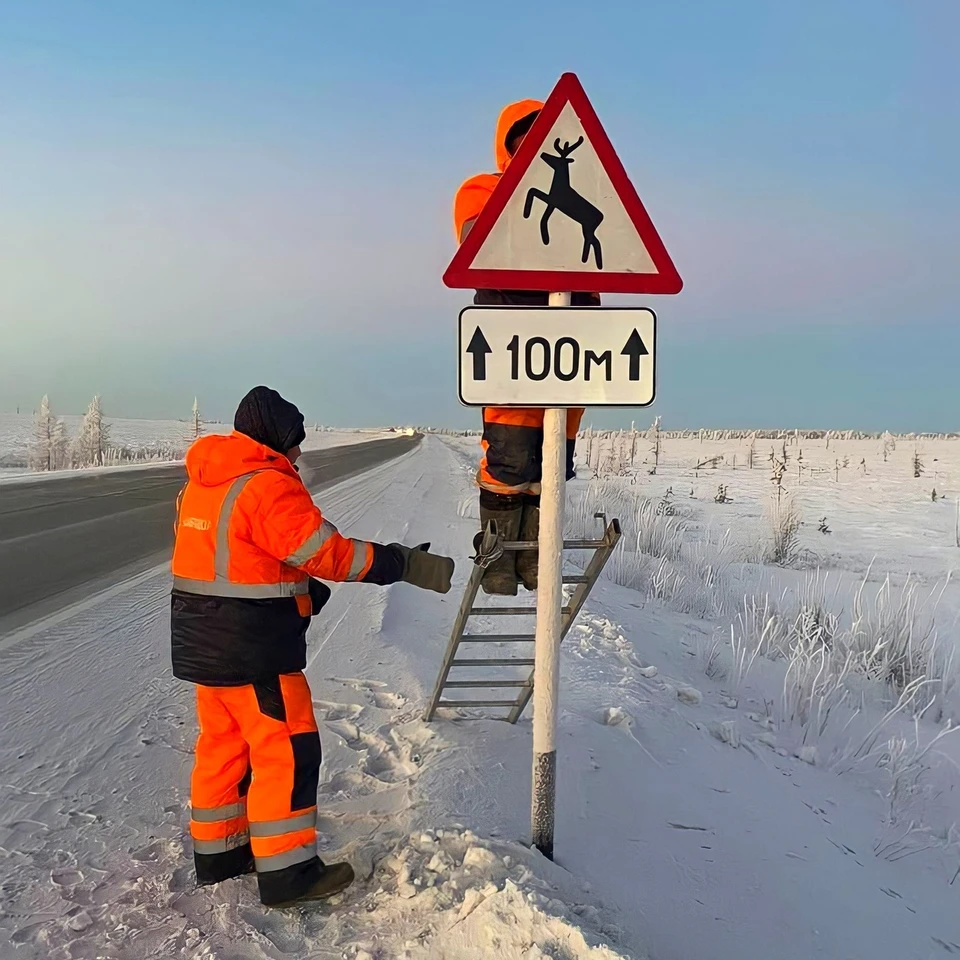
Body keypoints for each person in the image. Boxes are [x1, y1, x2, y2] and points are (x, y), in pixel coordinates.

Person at [170, 386, 454, 907]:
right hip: (253, 648)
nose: (299, 453)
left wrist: (297, 587)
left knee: (223, 747)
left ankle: (220, 852)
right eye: (295, 442)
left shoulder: (204, 483)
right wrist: (400, 563)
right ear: (277, 438)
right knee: (287, 752)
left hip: (202, 643)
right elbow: (329, 554)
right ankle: (288, 873)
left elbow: (229, 558)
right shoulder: (267, 485)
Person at [453, 99, 601, 597]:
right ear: (509, 145)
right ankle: (496, 562)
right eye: (526, 139)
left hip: (575, 354)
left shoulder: (583, 190)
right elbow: (482, 242)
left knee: (553, 464)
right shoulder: (482, 189)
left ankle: (537, 560)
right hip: (512, 352)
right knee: (509, 462)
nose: (536, 148)